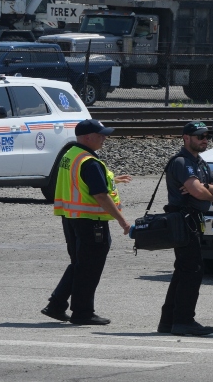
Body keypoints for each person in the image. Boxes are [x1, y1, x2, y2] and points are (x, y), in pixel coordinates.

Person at [43, 119, 132, 325]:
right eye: (100, 135)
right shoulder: (89, 162)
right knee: (89, 267)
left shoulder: (71, 155)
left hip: (72, 217)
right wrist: (123, 221)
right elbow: (100, 195)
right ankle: (82, 312)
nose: (104, 138)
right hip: (92, 221)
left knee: (79, 264)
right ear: (86, 137)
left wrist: (112, 179)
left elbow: (81, 181)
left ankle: (56, 305)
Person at [158, 121, 213, 336]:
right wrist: (205, 191)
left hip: (194, 219)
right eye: (199, 136)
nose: (205, 139)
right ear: (186, 138)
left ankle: (169, 321)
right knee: (192, 271)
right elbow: (196, 193)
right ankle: (184, 320)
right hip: (183, 219)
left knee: (183, 271)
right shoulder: (182, 162)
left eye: (206, 136)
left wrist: (205, 189)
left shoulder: (201, 163)